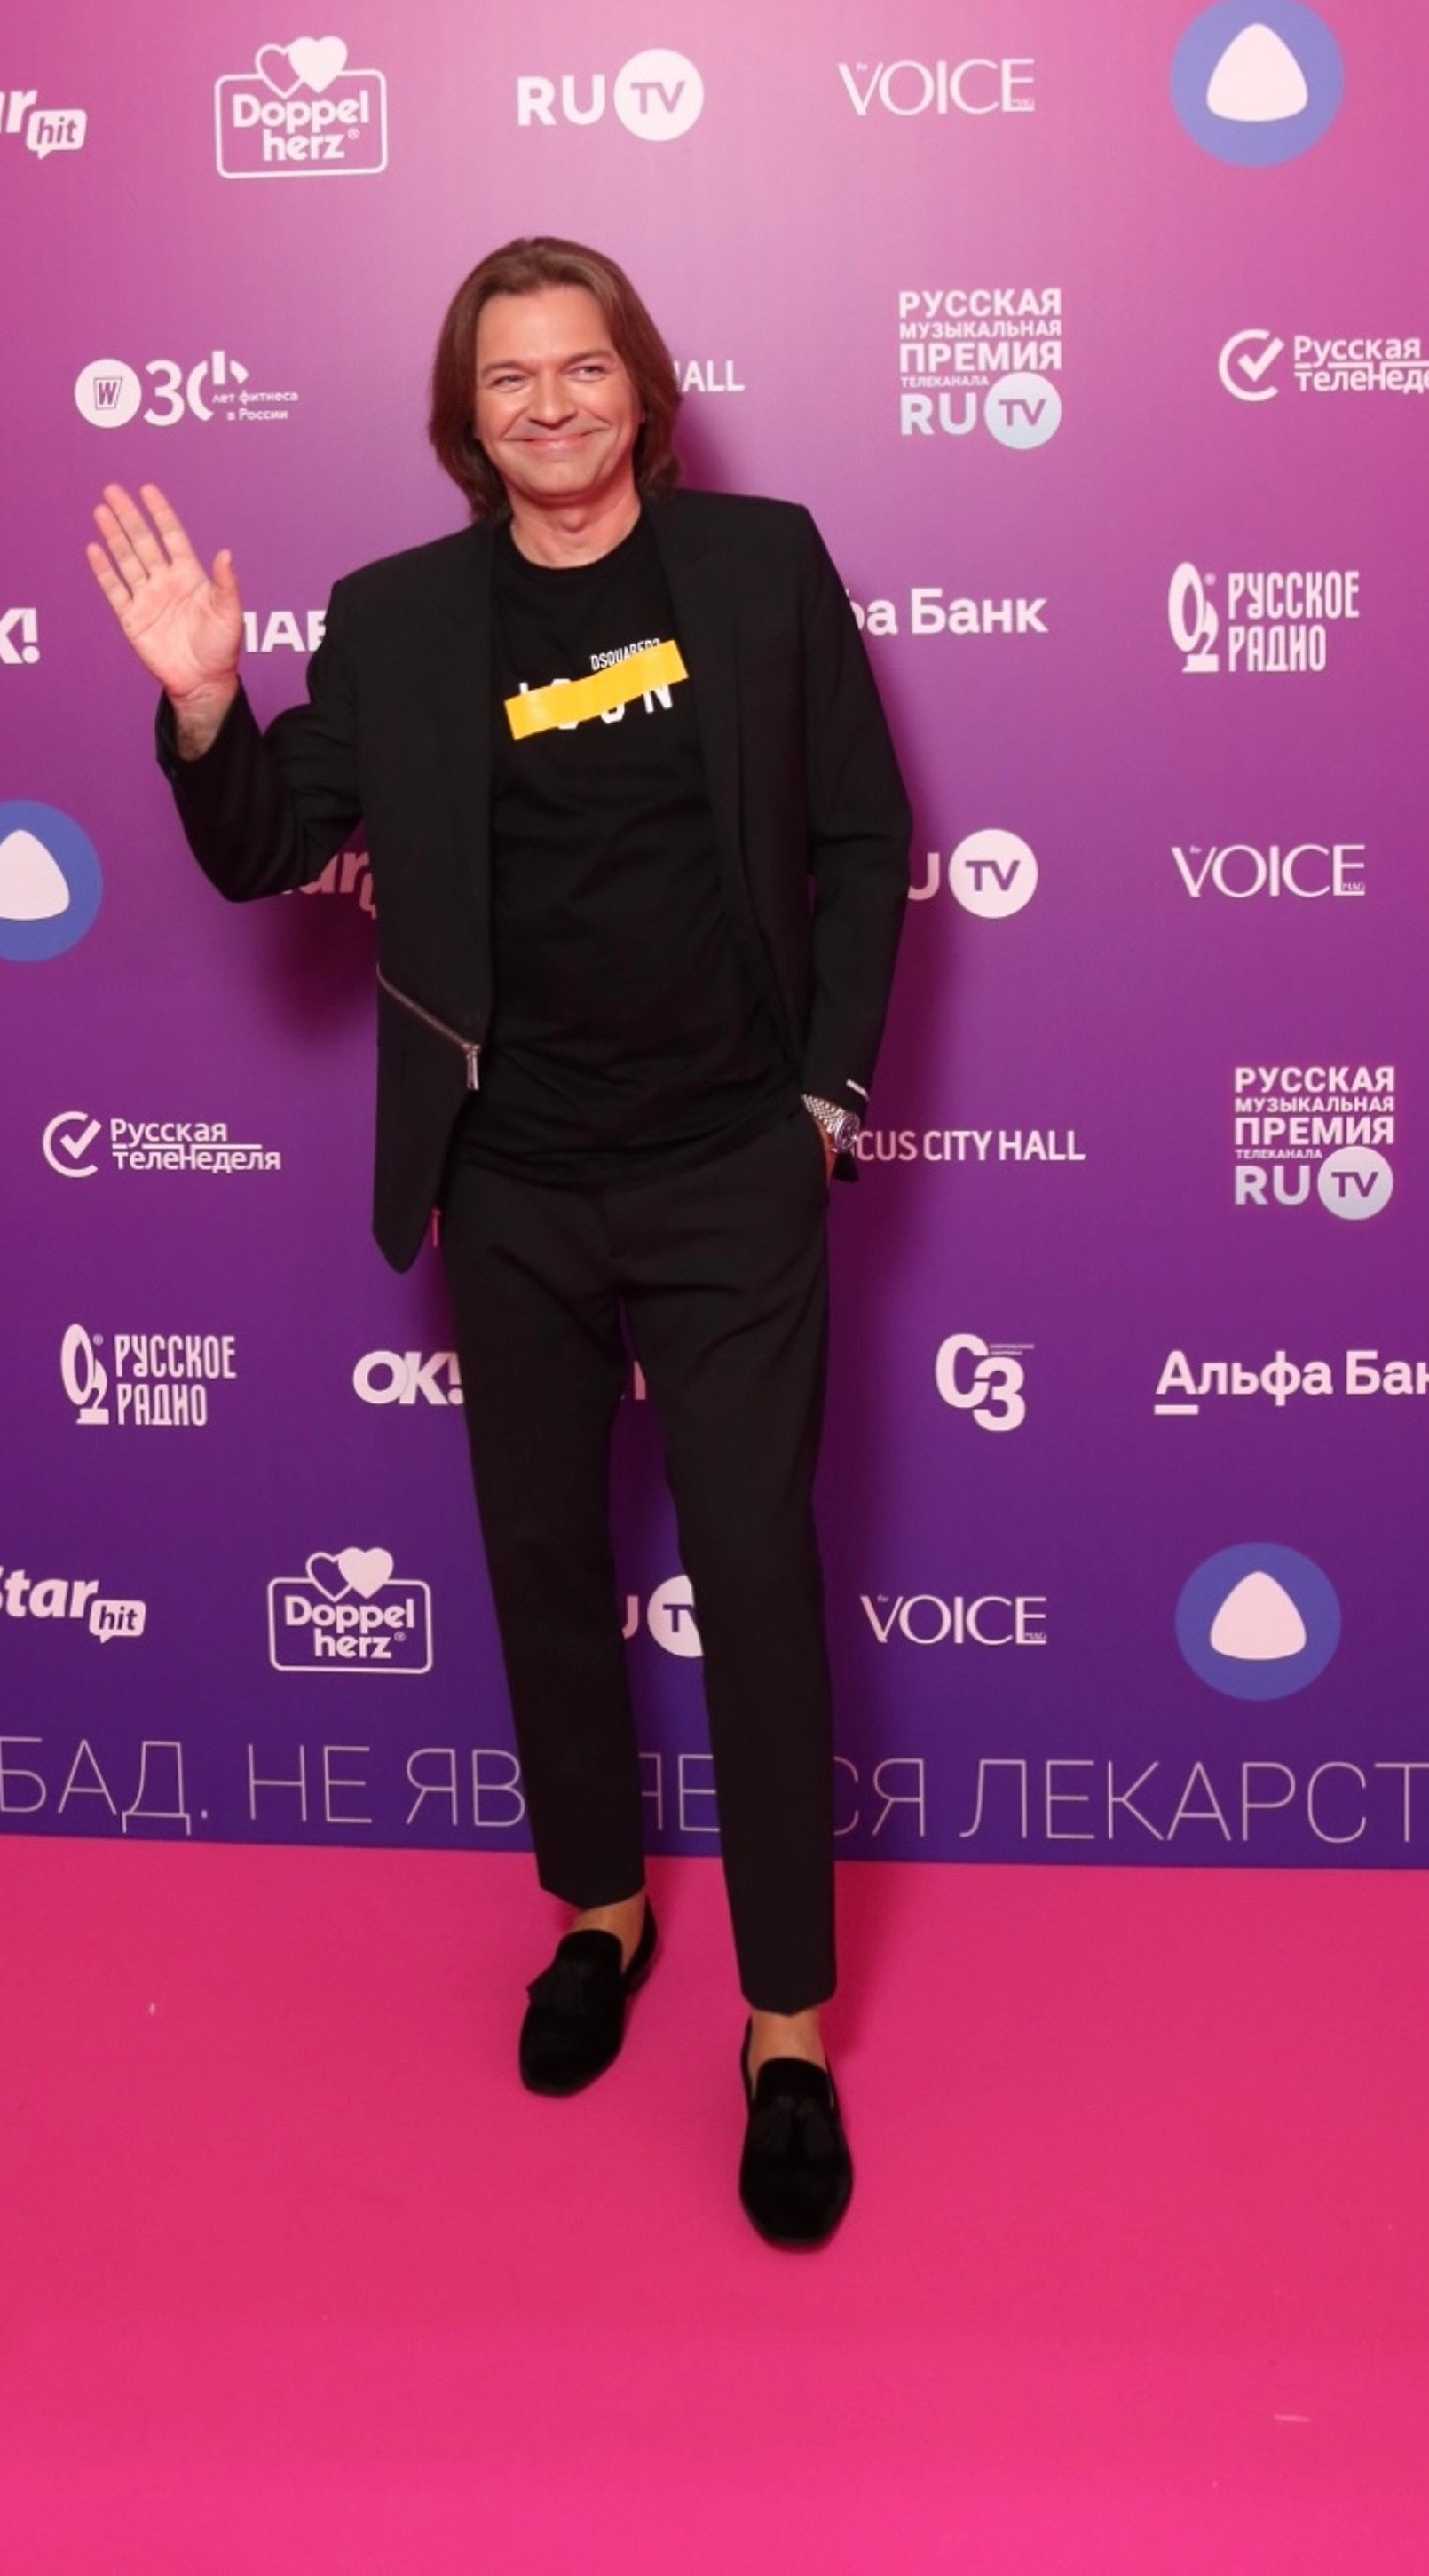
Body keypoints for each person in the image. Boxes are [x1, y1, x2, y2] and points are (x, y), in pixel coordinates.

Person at [88, 236, 911, 2247]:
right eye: (509, 379)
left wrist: (821, 1101)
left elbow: (861, 833)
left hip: (727, 1169)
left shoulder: (760, 567)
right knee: (543, 1562)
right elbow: (270, 846)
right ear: (466, 419)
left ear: (642, 385)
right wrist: (206, 707)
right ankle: (600, 1914)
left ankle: (785, 2026)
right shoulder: (398, 620)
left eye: (581, 367)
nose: (550, 404)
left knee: (754, 1582)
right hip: (513, 1179)